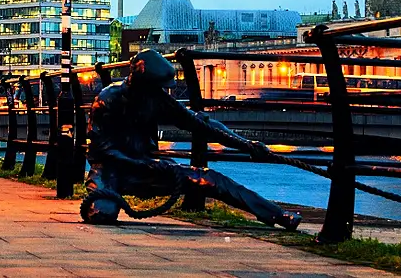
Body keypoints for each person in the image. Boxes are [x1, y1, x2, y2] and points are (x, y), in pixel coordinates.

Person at [82, 50, 302, 230]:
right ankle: (106, 196)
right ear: (143, 82)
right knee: (102, 213)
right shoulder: (107, 101)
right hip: (110, 169)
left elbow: (201, 125)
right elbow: (102, 151)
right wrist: (144, 164)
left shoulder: (157, 98)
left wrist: (246, 145)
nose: (162, 91)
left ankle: (276, 215)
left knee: (211, 179)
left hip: (145, 168)